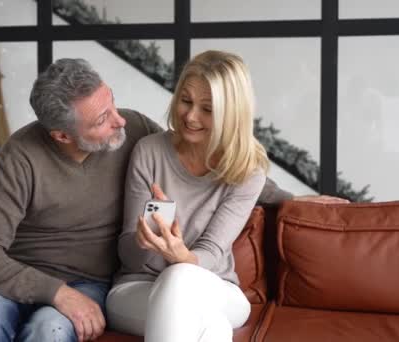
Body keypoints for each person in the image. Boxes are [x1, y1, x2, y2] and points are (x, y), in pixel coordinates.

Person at [0, 57, 346, 342]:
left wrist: (295, 201)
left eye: (112, 105)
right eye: (103, 119)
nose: (120, 120)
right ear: (62, 136)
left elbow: (223, 166)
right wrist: (64, 290)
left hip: (139, 281)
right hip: (55, 277)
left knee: (55, 326)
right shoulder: (24, 157)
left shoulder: (134, 130)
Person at [106, 50, 274, 341]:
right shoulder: (150, 151)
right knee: (213, 328)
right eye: (185, 101)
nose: (191, 117)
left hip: (217, 289)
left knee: (181, 277)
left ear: (232, 113)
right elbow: (130, 257)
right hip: (138, 288)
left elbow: (211, 250)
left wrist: (180, 256)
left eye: (207, 109)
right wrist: (146, 240)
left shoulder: (248, 170)